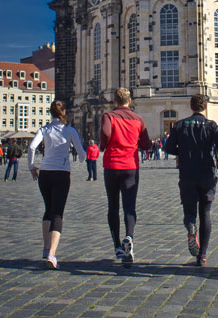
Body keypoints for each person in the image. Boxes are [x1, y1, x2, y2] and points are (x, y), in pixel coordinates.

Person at [165, 94, 218, 267]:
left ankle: (191, 225)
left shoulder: (180, 125)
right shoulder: (211, 125)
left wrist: (181, 151)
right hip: (207, 173)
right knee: (206, 213)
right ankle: (202, 256)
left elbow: (168, 147)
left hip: (187, 173)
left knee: (189, 211)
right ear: (205, 107)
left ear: (191, 107)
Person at [28, 100, 86, 269]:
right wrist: (83, 158)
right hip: (61, 173)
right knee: (58, 213)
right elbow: (81, 154)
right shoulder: (69, 130)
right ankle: (52, 254)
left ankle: (46, 249)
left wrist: (32, 167)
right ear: (64, 112)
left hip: (45, 173)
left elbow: (32, 147)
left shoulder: (45, 129)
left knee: (48, 209)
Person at [100, 88, 151, 264]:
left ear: (115, 101)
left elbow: (106, 133)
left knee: (113, 206)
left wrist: (102, 145)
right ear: (130, 101)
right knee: (130, 206)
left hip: (112, 165)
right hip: (131, 166)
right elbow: (146, 143)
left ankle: (117, 247)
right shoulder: (138, 119)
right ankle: (129, 236)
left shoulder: (109, 116)